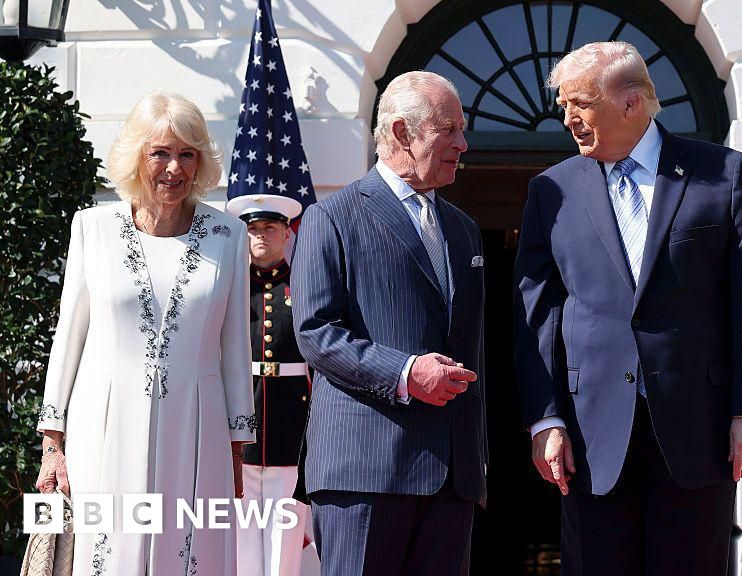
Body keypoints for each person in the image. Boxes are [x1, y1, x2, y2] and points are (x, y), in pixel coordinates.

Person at [512, 41, 742, 575]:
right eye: (564, 106)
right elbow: (537, 316)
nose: (567, 119)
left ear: (631, 103)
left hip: (699, 428)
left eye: (579, 104)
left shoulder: (723, 173)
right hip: (589, 435)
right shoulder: (551, 190)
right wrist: (545, 418)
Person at [34, 92, 254, 575]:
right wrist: (52, 445)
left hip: (197, 429)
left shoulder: (229, 235)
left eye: (187, 154)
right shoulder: (92, 228)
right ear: (137, 156)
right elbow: (68, 338)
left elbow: (235, 347)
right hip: (102, 425)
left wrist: (237, 447)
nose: (174, 168)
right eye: (160, 153)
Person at [290, 71, 486, 576]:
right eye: (449, 129)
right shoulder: (331, 217)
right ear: (402, 132)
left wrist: (475, 457)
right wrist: (405, 373)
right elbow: (316, 332)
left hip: (452, 477)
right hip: (363, 471)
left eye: (462, 131)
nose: (463, 144)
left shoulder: (464, 230)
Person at [226, 194, 308, 576]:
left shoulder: (304, 286)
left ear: (287, 233)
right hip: (240, 428)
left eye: (270, 228)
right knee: (241, 534)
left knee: (284, 535)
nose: (260, 235)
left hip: (291, 427)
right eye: (253, 229)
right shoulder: (230, 287)